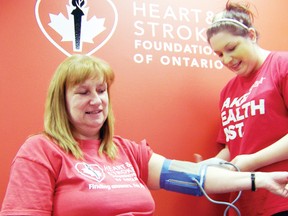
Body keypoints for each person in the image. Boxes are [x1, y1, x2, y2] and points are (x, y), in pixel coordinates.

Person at [1, 55, 288, 216]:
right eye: (83, 92)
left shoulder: (126, 151)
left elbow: (194, 178)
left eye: (101, 91)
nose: (97, 101)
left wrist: (259, 179)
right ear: (60, 100)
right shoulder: (40, 151)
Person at [201, 0, 288, 215]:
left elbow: (245, 157)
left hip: (281, 198)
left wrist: (252, 161)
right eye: (219, 54)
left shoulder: (282, 66)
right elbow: (235, 146)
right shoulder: (228, 91)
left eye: (231, 48)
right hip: (243, 203)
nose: (227, 59)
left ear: (251, 35)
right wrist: (210, 166)